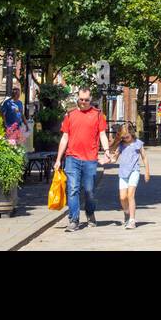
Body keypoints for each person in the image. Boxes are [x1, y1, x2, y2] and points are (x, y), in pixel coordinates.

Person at [54, 88, 112, 232]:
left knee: (89, 191)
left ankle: (90, 212)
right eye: (81, 99)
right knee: (72, 189)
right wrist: (58, 159)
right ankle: (74, 220)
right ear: (77, 98)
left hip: (90, 159)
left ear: (90, 99)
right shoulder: (70, 115)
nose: (84, 102)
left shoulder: (98, 115)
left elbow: (103, 135)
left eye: (86, 100)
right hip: (72, 158)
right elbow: (65, 138)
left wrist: (106, 151)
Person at [113, 124, 150, 230]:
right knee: (122, 197)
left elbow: (144, 157)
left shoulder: (138, 144)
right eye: (123, 137)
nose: (125, 139)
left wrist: (147, 172)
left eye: (127, 137)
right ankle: (126, 213)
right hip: (123, 173)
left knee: (130, 195)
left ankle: (132, 220)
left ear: (132, 134)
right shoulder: (121, 145)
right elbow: (114, 159)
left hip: (134, 171)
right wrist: (106, 159)